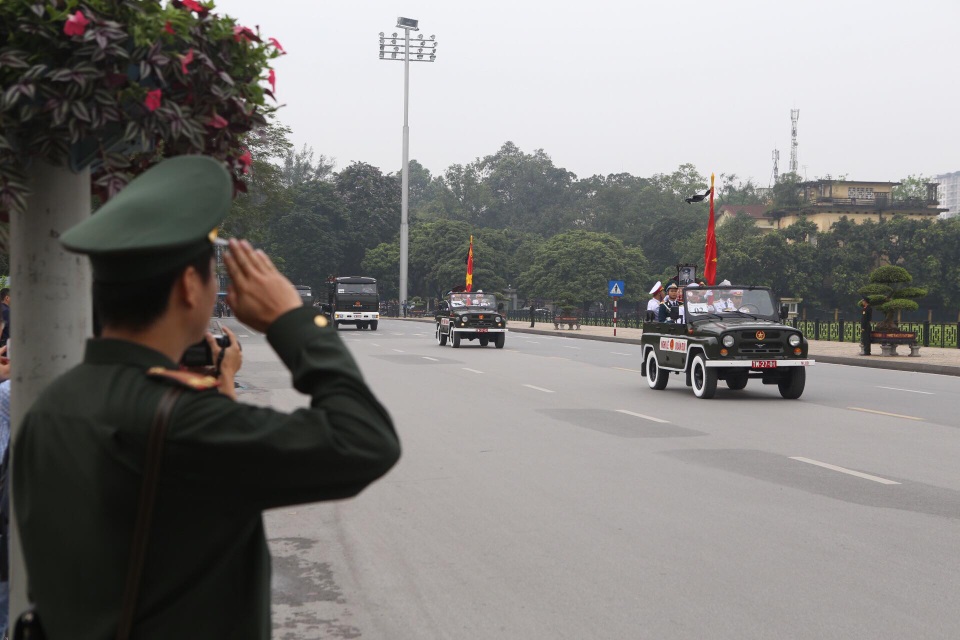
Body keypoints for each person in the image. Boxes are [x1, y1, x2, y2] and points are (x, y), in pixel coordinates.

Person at [13, 156, 401, 639]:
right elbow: (365, 439)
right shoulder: (178, 423)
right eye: (213, 276)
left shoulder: (50, 407)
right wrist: (293, 321)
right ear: (188, 287)